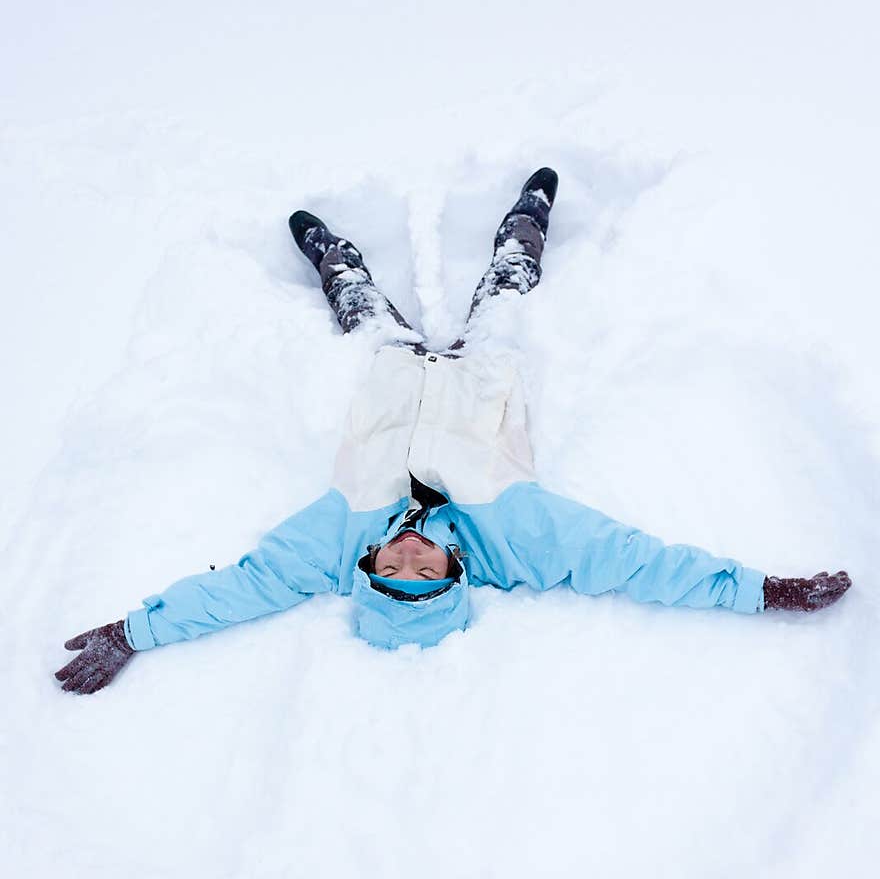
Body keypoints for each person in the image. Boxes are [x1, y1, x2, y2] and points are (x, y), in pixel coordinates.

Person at [54, 169, 852, 694]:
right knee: (506, 289)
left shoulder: (335, 537)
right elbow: (637, 563)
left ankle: (336, 255)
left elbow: (239, 589)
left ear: (368, 570)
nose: (408, 554)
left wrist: (135, 630)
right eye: (423, 572)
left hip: (392, 373)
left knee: (360, 306)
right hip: (484, 377)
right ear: (453, 573)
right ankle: (526, 222)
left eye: (392, 569)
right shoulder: (520, 533)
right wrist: (757, 590)